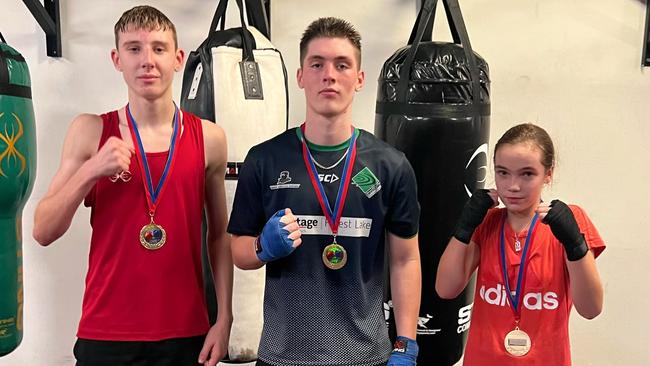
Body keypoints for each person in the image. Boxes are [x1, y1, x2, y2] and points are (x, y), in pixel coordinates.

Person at [32, 6, 232, 366]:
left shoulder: (210, 138)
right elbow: (43, 229)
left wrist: (225, 319)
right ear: (117, 58)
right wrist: (92, 169)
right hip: (106, 333)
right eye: (134, 48)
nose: (147, 61)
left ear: (178, 58)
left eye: (158, 48)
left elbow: (219, 236)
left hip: (186, 334)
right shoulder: (90, 131)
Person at [228, 17, 421, 366]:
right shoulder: (265, 159)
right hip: (283, 356)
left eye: (342, 64)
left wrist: (406, 341)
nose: (328, 74)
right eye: (316, 64)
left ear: (359, 79)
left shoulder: (390, 165)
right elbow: (238, 250)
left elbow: (405, 258)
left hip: (364, 355)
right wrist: (261, 247)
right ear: (301, 76)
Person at [436, 123, 605, 365]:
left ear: (548, 174)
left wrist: (574, 243)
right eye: (503, 172)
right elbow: (445, 288)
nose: (513, 186)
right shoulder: (488, 222)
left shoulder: (571, 221)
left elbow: (591, 309)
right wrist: (464, 227)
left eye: (527, 174)